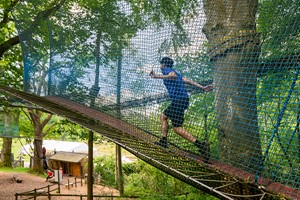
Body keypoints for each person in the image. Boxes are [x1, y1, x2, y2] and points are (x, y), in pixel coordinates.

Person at [150, 57, 213, 163]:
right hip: (183, 101)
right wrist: (202, 87)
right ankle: (201, 146)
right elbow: (188, 81)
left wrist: (155, 76)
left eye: (161, 64)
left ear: (164, 64)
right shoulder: (177, 73)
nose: (160, 66)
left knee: (164, 116)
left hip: (179, 101)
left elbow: (172, 76)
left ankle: (164, 141)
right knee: (176, 127)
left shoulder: (168, 71)